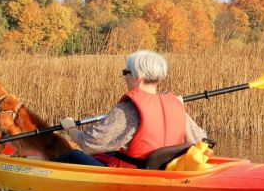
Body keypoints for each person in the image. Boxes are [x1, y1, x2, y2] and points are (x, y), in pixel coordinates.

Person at [58, 50, 208, 168]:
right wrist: (179, 109)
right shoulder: (176, 105)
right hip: (163, 170)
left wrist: (70, 128)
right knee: (110, 151)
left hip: (133, 174)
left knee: (72, 155)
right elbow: (200, 139)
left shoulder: (127, 110)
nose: (124, 77)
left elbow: (88, 145)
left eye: (126, 72)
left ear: (138, 76)